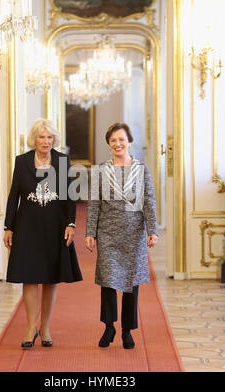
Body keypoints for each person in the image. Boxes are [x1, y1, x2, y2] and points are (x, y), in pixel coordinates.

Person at [4, 117, 82, 349]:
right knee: (29, 277)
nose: (46, 141)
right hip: (27, 226)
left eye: (49, 137)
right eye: (41, 137)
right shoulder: (22, 161)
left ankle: (45, 327)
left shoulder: (62, 161)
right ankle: (30, 327)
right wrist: (9, 227)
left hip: (55, 226)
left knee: (50, 278)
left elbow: (69, 196)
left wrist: (71, 224)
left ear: (54, 139)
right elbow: (13, 197)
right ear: (34, 139)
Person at [85, 122, 158, 349]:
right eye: (113, 140)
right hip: (107, 233)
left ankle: (127, 330)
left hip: (133, 233)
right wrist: (90, 232)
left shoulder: (141, 169)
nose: (118, 144)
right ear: (109, 143)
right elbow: (94, 203)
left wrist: (152, 230)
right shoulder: (101, 170)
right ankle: (109, 327)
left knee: (130, 283)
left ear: (130, 142)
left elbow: (149, 201)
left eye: (122, 140)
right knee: (108, 282)